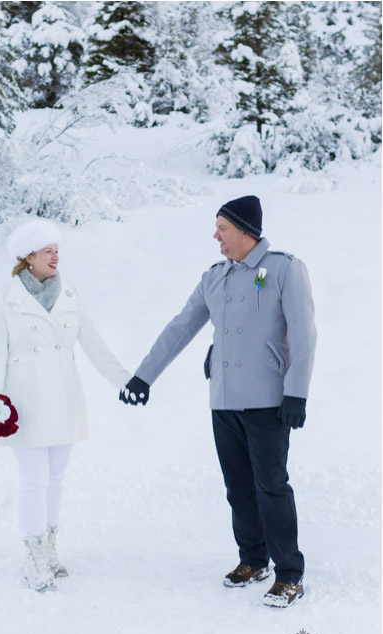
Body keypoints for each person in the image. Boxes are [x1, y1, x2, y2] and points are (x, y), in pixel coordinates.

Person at [120, 195, 316, 608]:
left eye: (222, 229)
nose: (216, 236)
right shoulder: (215, 276)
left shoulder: (283, 268)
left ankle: (290, 573)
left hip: (268, 402)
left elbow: (303, 332)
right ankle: (252, 559)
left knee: (272, 487)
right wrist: (144, 375)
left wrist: (296, 391)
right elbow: (181, 327)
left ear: (245, 230)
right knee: (238, 488)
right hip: (224, 400)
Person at [0, 219, 131, 591]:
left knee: (55, 479)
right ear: (28, 256)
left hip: (64, 400)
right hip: (26, 403)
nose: (55, 256)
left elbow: (94, 344)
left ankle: (49, 547)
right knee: (33, 480)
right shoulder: (7, 298)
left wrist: (126, 381)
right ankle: (33, 555)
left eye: (57, 250)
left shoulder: (71, 296)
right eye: (48, 250)